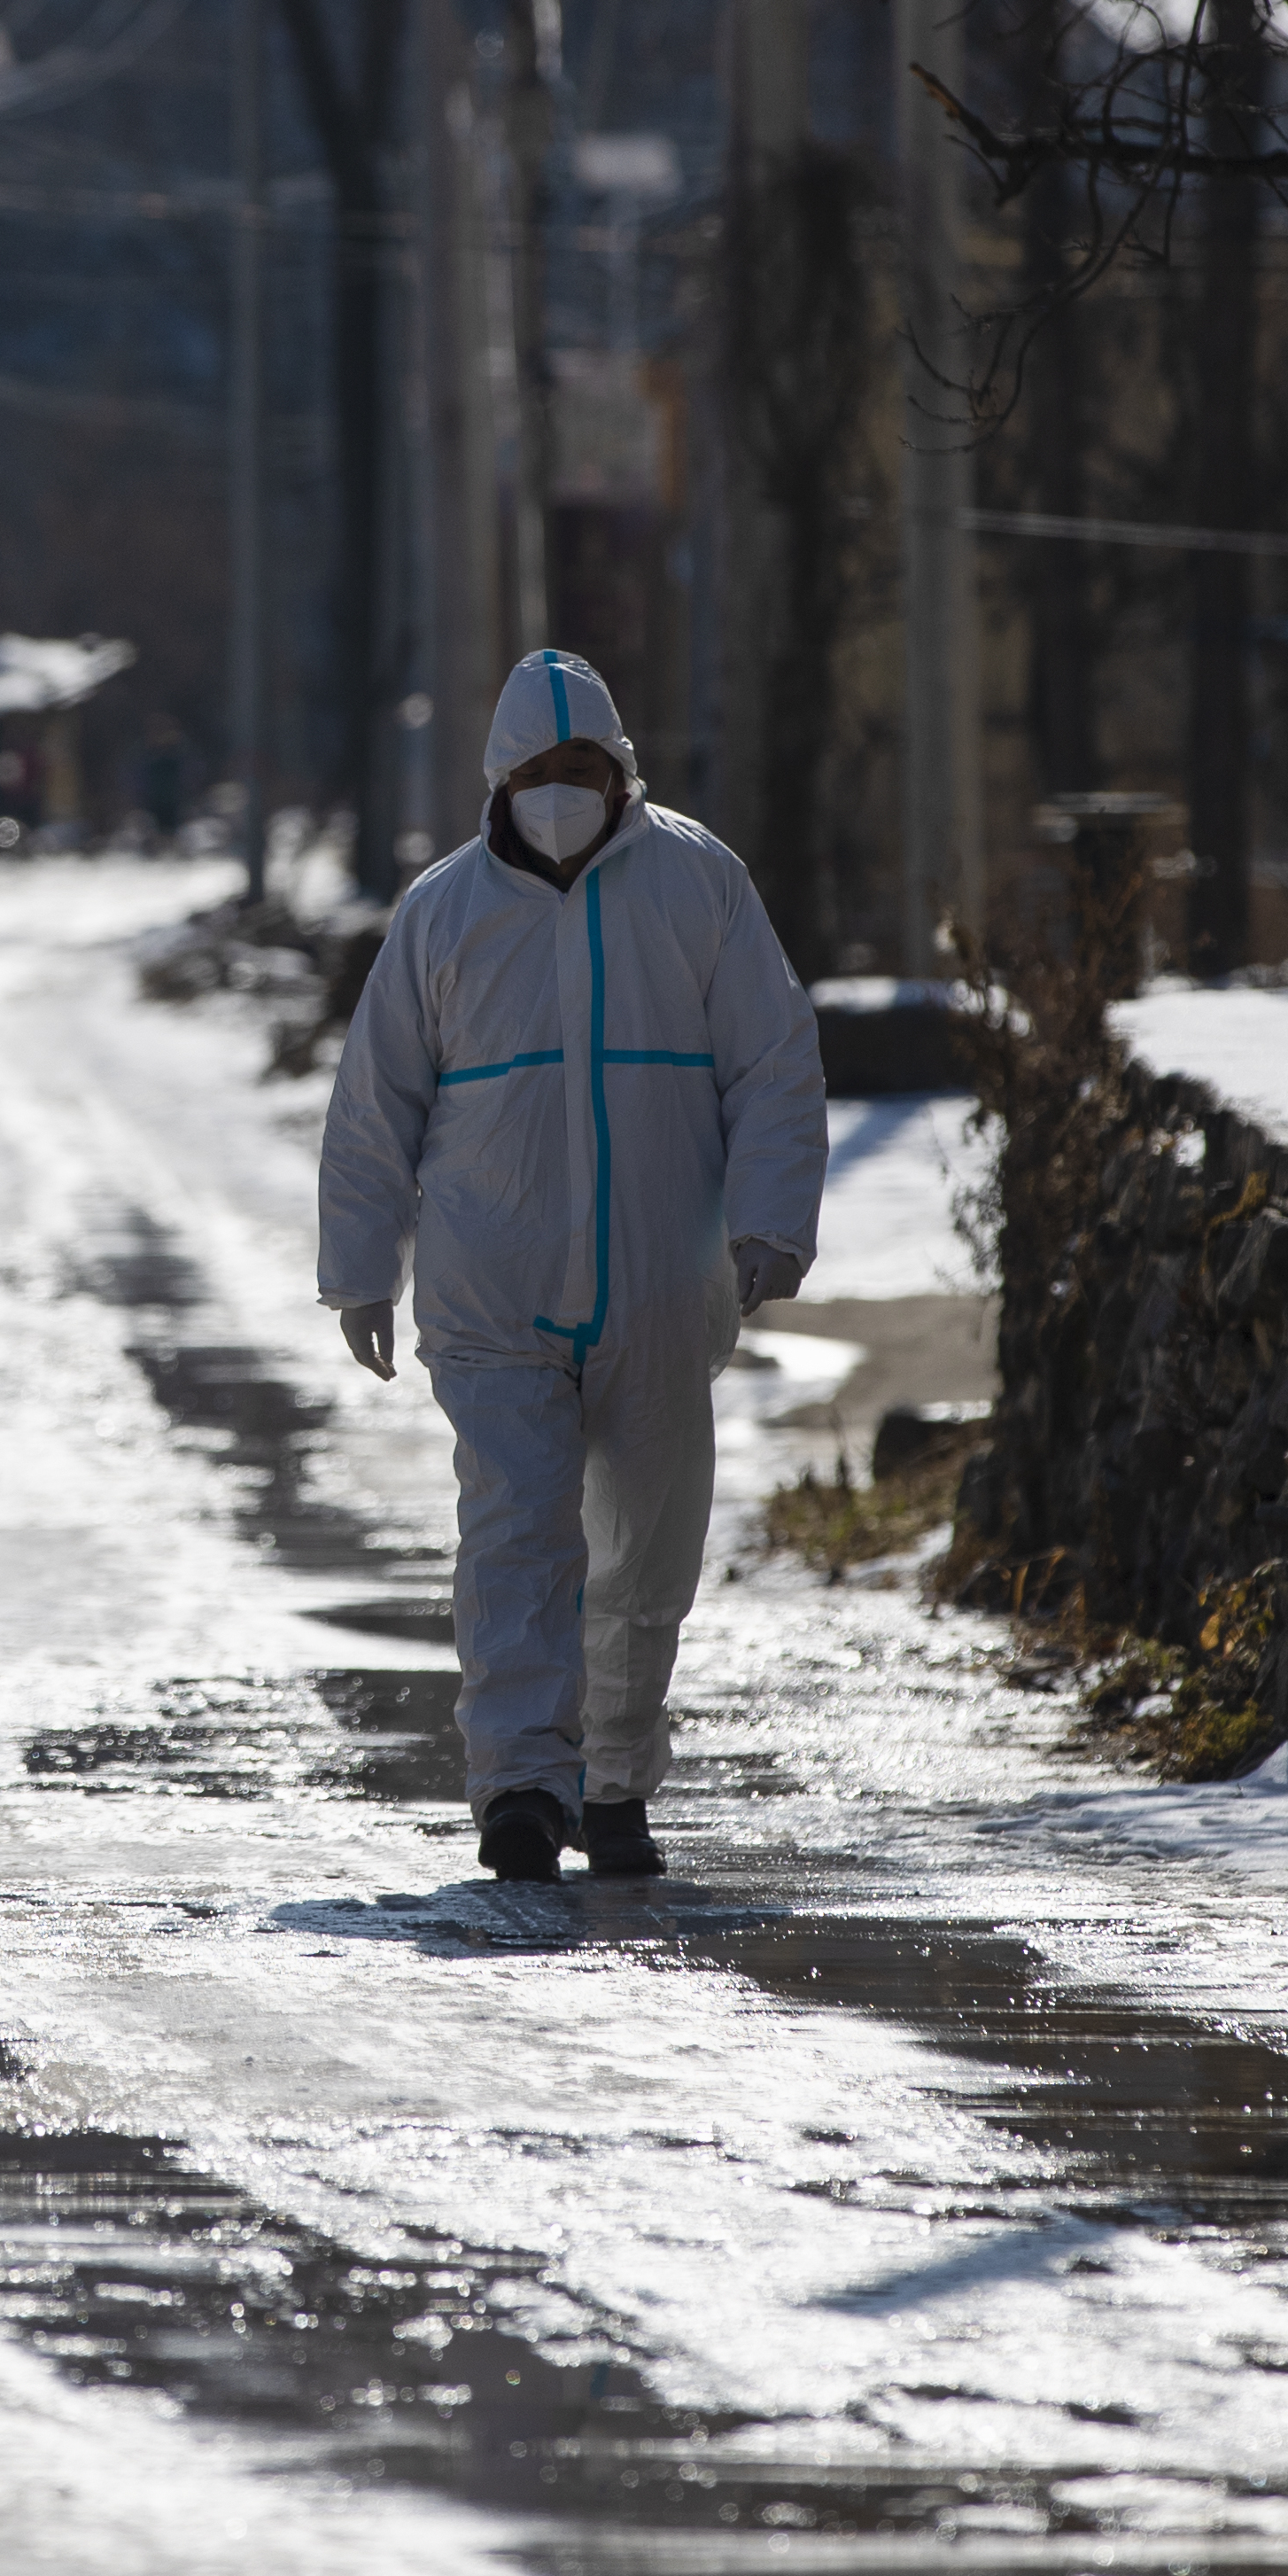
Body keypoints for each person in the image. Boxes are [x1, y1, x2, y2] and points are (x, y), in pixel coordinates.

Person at [315, 649, 832, 1883]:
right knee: (516, 1538)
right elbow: (375, 1104)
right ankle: (519, 1791)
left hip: (664, 1281)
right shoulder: (443, 912)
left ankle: (615, 1785)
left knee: (647, 1548)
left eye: (584, 768)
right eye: (542, 771)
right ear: (502, 779)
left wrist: (772, 1219)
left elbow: (772, 1058)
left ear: (623, 773)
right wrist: (359, 1269)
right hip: (492, 1285)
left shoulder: (698, 883)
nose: (564, 787)